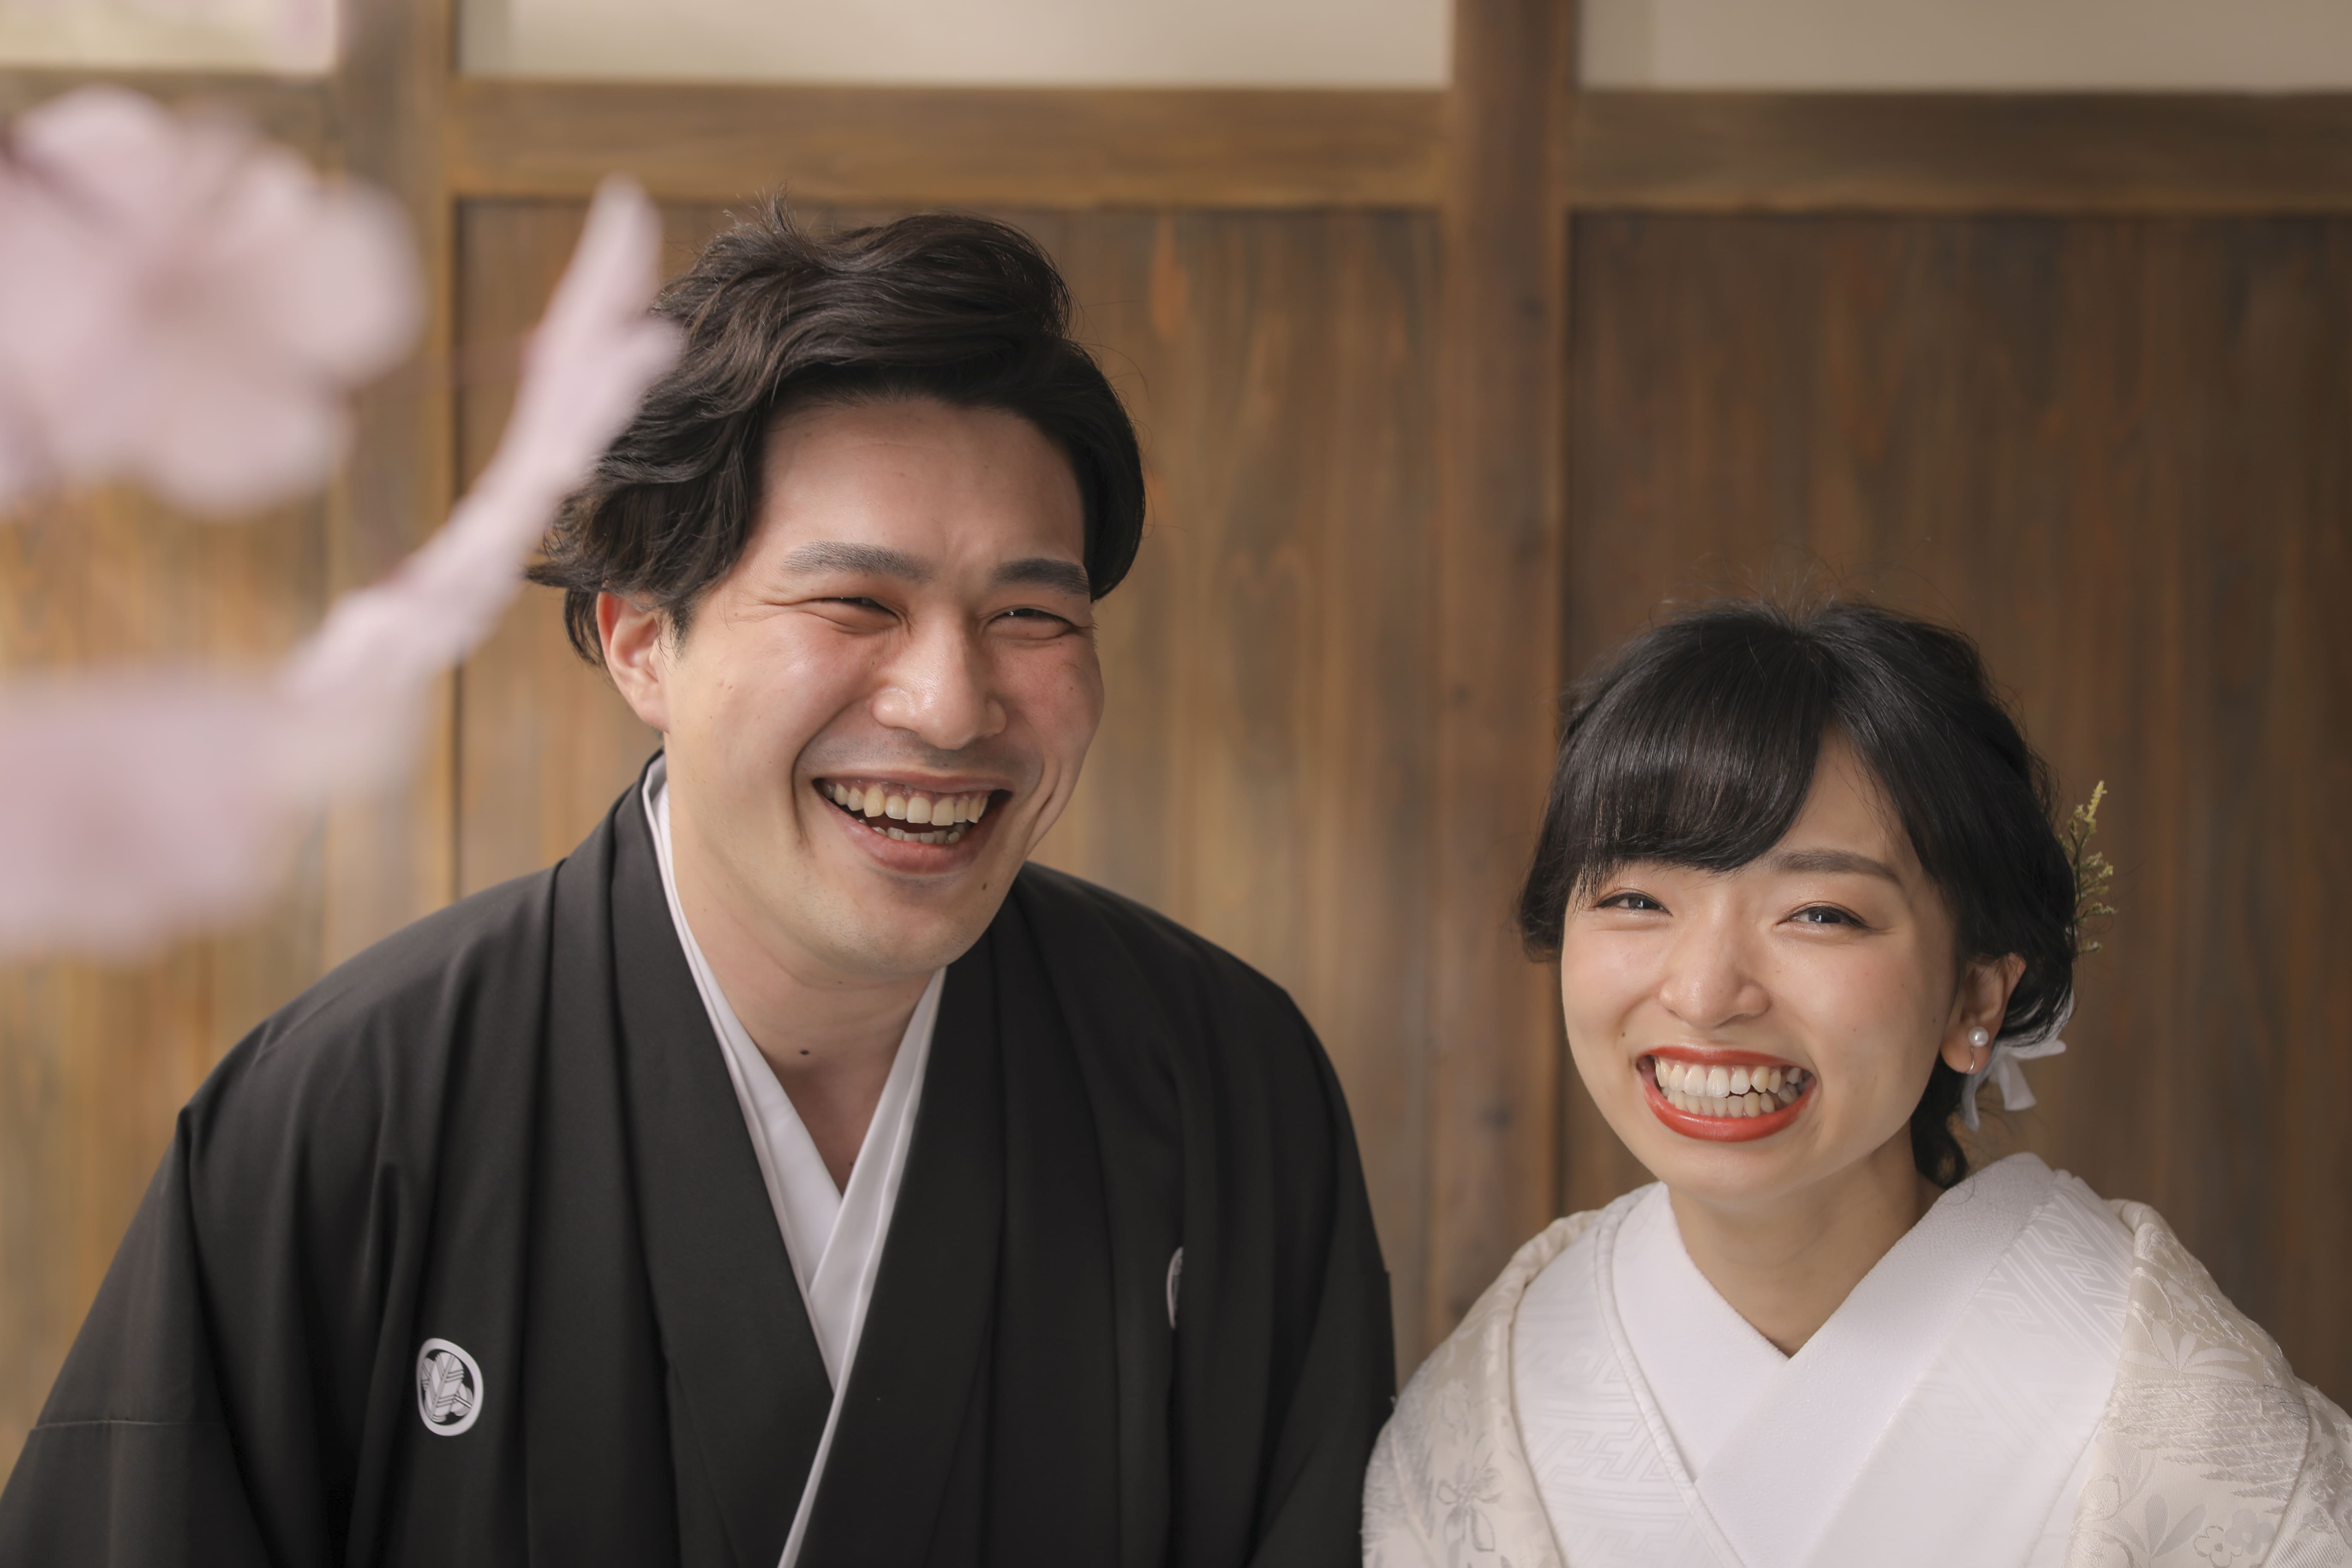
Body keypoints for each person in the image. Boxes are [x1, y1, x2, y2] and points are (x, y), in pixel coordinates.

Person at [0, 204, 1393, 1567]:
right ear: (640, 640)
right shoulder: (348, 1107)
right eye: (856, 604)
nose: (951, 703)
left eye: (1030, 614)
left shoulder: (1220, 1081)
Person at [1364, 599, 2352, 1568]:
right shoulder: (1481, 1416)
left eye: (1821, 914)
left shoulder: (2181, 1422)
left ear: (1976, 992)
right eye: (1635, 898)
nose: (1704, 994)